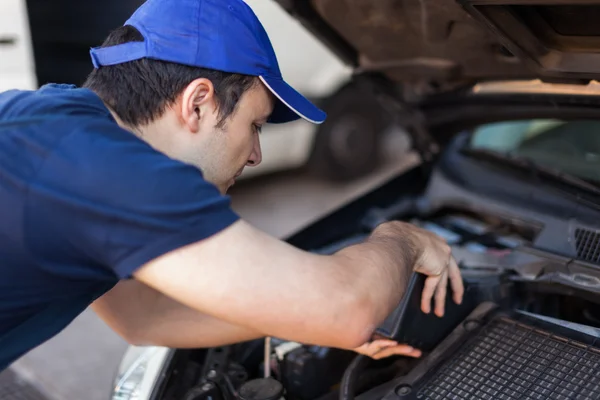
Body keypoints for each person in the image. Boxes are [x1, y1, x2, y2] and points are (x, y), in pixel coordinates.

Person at [0, 0, 463, 370]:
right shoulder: (105, 169)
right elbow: (348, 308)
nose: (256, 153)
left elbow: (143, 316)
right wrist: (403, 239)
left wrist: (306, 318)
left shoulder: (55, 120)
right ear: (198, 103)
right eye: (255, 124)